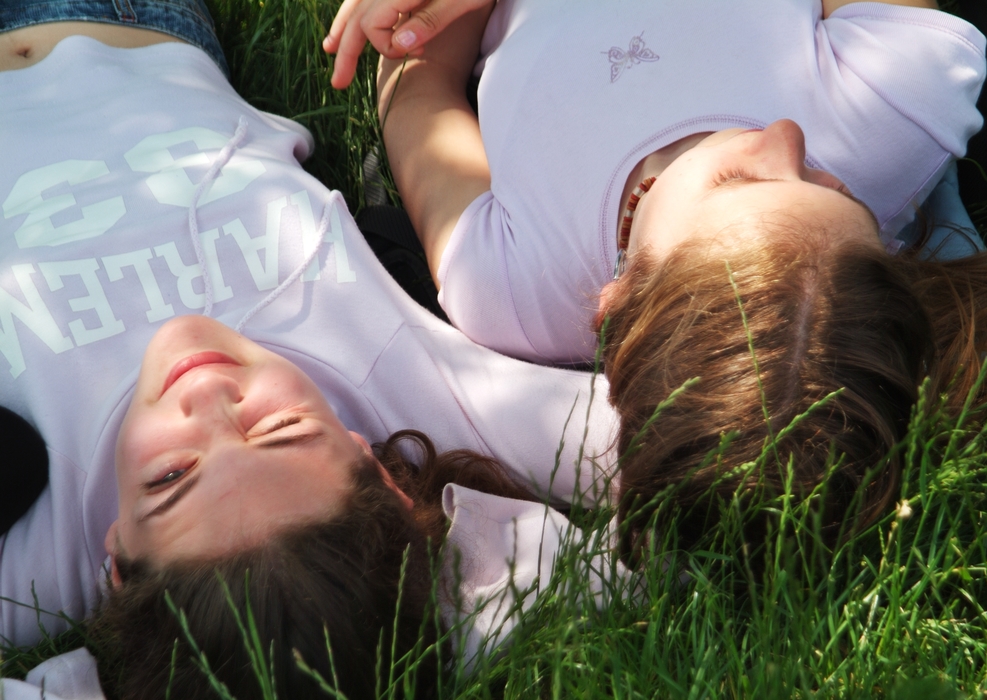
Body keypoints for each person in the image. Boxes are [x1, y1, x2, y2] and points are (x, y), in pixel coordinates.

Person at [0, 4, 620, 696]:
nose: (207, 397)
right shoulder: (412, 385)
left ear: (117, 565)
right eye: (280, 428)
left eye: (169, 477)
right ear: (375, 466)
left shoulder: (38, 560)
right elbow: (720, 442)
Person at [325, 0, 987, 554]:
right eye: (839, 191)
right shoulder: (895, 111)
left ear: (615, 302)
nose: (788, 138)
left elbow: (418, 90)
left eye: (733, 180)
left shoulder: (508, 282)